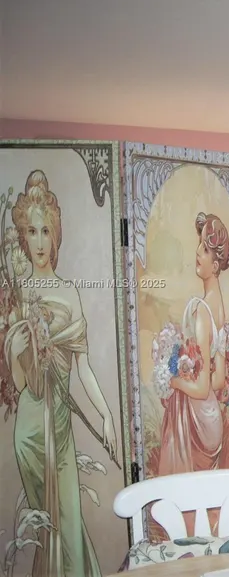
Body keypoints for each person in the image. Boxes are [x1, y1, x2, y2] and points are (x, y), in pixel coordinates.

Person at [5, 170, 118, 577]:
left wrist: (106, 414)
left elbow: (83, 368)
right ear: (23, 236)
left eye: (45, 231)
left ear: (56, 235)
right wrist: (16, 351)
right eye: (31, 232)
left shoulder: (70, 291)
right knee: (47, 535)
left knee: (68, 529)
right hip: (30, 436)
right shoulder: (18, 295)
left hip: (61, 432)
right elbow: (22, 385)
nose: (39, 243)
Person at [157, 212, 229, 475]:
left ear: (216, 265)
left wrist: (174, 382)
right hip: (213, 425)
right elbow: (218, 380)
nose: (198, 252)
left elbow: (201, 389)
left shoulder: (202, 310)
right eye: (199, 245)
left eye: (205, 249)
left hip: (199, 424)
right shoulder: (219, 309)